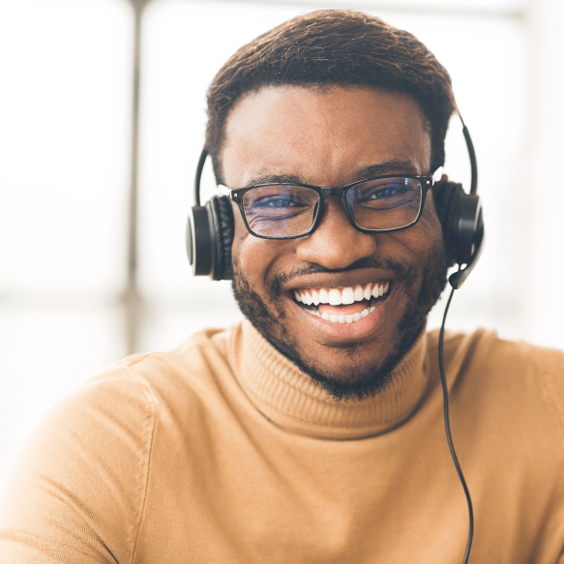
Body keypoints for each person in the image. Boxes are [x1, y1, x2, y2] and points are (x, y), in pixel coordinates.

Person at [1, 9, 563, 564]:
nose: (337, 250)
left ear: (451, 214)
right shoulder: (109, 444)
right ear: (219, 235)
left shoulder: (551, 409)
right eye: (277, 202)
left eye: (386, 190)